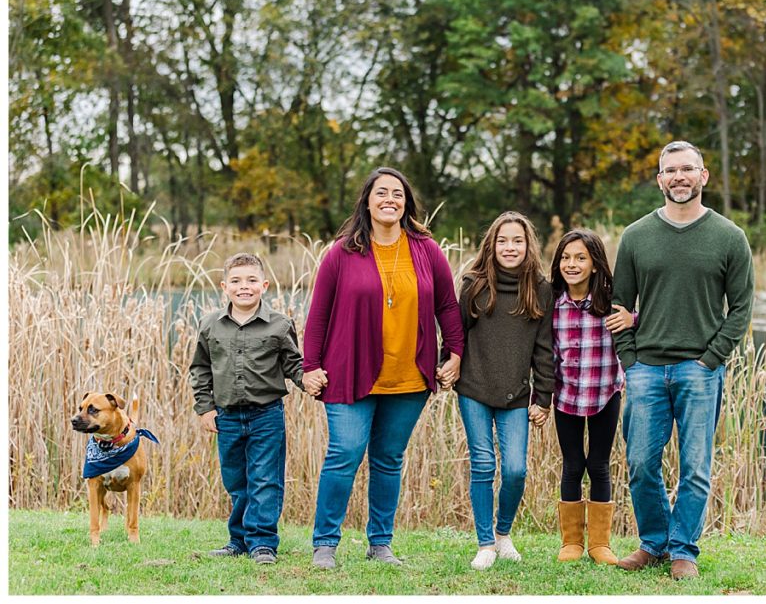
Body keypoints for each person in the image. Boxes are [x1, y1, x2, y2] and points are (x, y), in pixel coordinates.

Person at [302, 167, 464, 570]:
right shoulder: (342, 252)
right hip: (349, 372)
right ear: (367, 201)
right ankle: (325, 543)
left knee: (389, 459)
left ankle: (380, 543)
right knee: (344, 453)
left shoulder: (427, 249)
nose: (390, 199)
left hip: (409, 377)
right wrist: (310, 366)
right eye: (381, 193)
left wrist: (455, 352)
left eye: (398, 193)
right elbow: (318, 314)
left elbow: (447, 304)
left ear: (406, 202)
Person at [611, 141, 754, 580]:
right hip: (646, 370)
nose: (679, 177)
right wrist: (631, 360)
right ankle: (653, 543)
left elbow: (742, 308)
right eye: (670, 171)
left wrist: (711, 359)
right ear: (659, 180)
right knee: (639, 463)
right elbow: (619, 306)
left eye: (687, 169)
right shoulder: (636, 237)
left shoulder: (729, 237)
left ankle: (683, 551)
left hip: (700, 370)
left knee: (695, 467)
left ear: (703, 176)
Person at [189, 252, 312, 565]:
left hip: (266, 415)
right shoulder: (210, 325)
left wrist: (309, 381)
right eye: (236, 281)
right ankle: (238, 541)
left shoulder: (280, 325)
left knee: (265, 479)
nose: (244, 287)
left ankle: (263, 544)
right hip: (226, 416)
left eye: (252, 280)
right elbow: (200, 368)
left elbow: (293, 364)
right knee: (236, 481)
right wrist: (205, 408)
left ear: (265, 285)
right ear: (224, 286)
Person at [454, 211, 556, 571]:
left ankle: (502, 534)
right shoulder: (474, 284)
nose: (509, 247)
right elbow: (456, 334)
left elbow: (545, 348)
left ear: (528, 246)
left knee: (515, 469)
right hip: (474, 387)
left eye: (517, 240)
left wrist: (543, 396)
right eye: (502, 240)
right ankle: (484, 544)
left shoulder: (541, 289)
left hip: (516, 394)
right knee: (483, 464)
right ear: (491, 245)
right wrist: (448, 363)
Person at [548, 229, 634, 565]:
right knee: (572, 464)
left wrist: (633, 318)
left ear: (595, 264)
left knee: (598, 464)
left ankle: (600, 543)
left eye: (581, 258)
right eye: (566, 258)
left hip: (605, 392)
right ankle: (571, 542)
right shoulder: (553, 303)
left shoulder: (610, 302)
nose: (572, 264)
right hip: (566, 394)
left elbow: (636, 323)